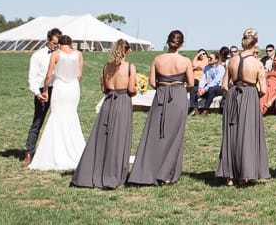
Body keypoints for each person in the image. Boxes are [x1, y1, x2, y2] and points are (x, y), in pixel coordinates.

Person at [129, 30, 195, 185]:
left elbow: (152, 81)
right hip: (178, 94)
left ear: (168, 42)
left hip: (161, 94)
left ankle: (150, 169)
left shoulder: (158, 59)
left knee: (156, 133)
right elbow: (191, 83)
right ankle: (168, 174)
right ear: (182, 43)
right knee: (175, 135)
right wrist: (181, 90)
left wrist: (163, 87)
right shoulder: (185, 61)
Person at [71, 39, 138, 189]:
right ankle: (114, 174)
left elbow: (103, 88)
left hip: (108, 102)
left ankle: (95, 170)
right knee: (119, 138)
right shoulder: (130, 67)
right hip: (122, 102)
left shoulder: (105, 67)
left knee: (102, 138)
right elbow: (132, 89)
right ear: (127, 51)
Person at [216, 29, 271, 185]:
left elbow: (224, 85)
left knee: (231, 134)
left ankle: (229, 176)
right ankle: (243, 175)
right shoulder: (257, 63)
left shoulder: (232, 61)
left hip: (233, 95)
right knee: (247, 135)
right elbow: (264, 90)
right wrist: (253, 97)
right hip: (250, 95)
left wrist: (234, 94)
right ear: (255, 45)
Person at [29, 36, 85, 171]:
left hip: (60, 87)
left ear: (59, 44)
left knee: (57, 116)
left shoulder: (56, 54)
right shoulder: (79, 54)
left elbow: (49, 75)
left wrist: (46, 90)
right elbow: (79, 75)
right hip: (73, 87)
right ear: (71, 43)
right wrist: (71, 81)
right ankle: (75, 149)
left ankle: (54, 152)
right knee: (71, 115)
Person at [23, 28, 62, 165]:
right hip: (42, 91)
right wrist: (38, 93)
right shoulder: (38, 56)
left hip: (57, 90)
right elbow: (32, 78)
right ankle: (29, 152)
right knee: (37, 121)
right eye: (54, 43)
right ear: (48, 40)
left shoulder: (61, 54)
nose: (56, 46)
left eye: (58, 43)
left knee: (58, 122)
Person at [192, 47, 228, 115]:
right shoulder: (206, 67)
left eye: (211, 58)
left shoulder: (220, 68)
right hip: (208, 87)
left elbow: (216, 81)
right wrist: (200, 88)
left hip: (219, 88)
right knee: (193, 89)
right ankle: (194, 109)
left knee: (211, 89)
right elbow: (203, 78)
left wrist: (205, 89)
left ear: (216, 60)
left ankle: (206, 110)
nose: (208, 59)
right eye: (208, 57)